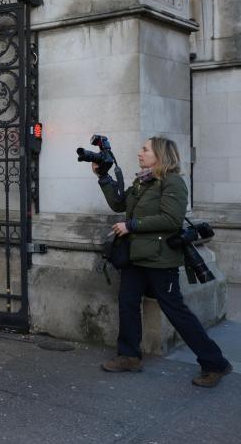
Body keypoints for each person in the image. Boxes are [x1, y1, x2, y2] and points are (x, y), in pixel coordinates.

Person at [96, 136, 232, 387]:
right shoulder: (142, 181)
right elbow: (118, 203)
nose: (139, 152)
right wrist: (103, 177)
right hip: (135, 257)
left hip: (160, 259)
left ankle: (215, 363)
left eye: (144, 149)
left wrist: (132, 225)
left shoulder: (173, 182)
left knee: (175, 310)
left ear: (160, 155)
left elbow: (171, 219)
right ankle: (128, 356)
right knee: (127, 303)